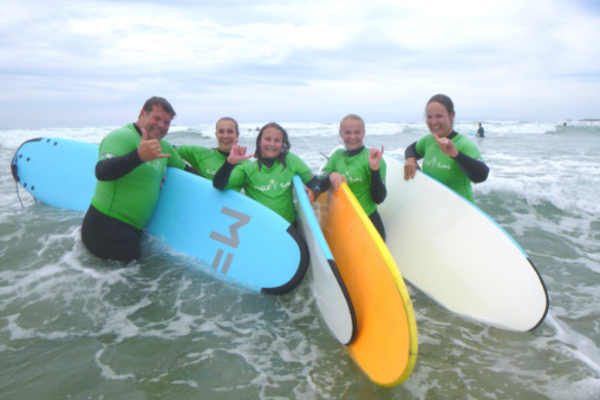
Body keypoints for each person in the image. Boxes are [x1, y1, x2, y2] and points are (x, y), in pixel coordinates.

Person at [81, 97, 199, 263]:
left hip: (134, 229)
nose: (161, 125)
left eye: (166, 122)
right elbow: (102, 172)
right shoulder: (121, 137)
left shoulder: (163, 146)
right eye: (156, 118)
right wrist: (138, 156)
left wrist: (222, 184)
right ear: (142, 114)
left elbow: (188, 171)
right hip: (106, 225)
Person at [212, 122, 319, 226]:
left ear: (283, 144)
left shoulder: (290, 160)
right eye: (267, 139)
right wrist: (230, 162)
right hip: (261, 229)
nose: (272, 144)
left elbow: (316, 182)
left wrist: (313, 192)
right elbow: (219, 185)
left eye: (277, 140)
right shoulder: (247, 169)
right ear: (259, 141)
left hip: (289, 229)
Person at [404, 94, 489, 203]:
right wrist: (411, 159)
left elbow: (482, 175)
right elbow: (411, 149)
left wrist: (455, 154)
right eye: (429, 116)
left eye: (439, 116)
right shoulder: (429, 140)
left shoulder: (464, 144)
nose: (433, 122)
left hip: (462, 212)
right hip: (435, 210)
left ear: (451, 115)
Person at [318, 114, 387, 241]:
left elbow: (379, 198)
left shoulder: (373, 158)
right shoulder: (337, 156)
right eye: (347, 132)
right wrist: (332, 174)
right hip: (341, 223)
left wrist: (374, 169)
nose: (352, 137)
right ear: (341, 133)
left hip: (367, 222)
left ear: (364, 133)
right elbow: (319, 181)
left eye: (357, 132)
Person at [175, 117, 249, 190]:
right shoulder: (201, 153)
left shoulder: (246, 165)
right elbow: (169, 149)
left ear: (237, 134)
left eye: (230, 131)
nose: (225, 136)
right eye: (221, 131)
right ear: (216, 134)